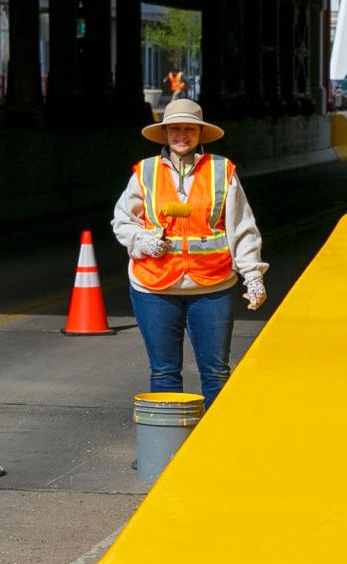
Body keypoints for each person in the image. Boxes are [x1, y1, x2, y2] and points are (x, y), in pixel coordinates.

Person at [110, 97, 267, 409]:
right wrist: (141, 241)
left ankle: (215, 448)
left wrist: (253, 276)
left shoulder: (222, 171)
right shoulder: (146, 172)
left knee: (216, 373)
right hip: (154, 285)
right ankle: (169, 447)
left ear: (200, 133)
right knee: (165, 371)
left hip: (213, 286)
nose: (182, 135)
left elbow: (241, 226)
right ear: (166, 134)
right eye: (175, 129)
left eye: (189, 129)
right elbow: (122, 221)